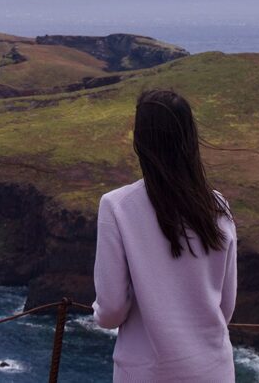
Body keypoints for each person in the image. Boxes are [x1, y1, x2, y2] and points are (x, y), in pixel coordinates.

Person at [92, 88, 238, 382]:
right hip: (214, 371)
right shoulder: (218, 205)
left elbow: (111, 311)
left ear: (141, 142)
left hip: (148, 374)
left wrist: (98, 313)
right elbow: (226, 306)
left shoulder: (117, 207)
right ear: (189, 138)